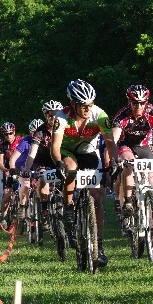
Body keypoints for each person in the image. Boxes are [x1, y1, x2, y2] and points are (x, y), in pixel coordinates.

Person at [51, 79, 119, 268]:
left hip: (89, 153)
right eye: (83, 106)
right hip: (67, 152)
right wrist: (58, 163)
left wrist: (113, 161)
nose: (88, 109)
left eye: (90, 104)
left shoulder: (100, 115)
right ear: (73, 104)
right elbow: (55, 146)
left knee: (97, 198)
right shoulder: (61, 117)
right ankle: (69, 207)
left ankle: (100, 245)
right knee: (70, 168)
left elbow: (111, 142)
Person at [111, 85, 153, 221]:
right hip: (126, 146)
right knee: (129, 164)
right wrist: (112, 158)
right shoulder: (122, 115)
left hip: (144, 146)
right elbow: (114, 139)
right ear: (129, 102)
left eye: (142, 103)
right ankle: (128, 201)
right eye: (135, 103)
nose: (138, 106)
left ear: (146, 102)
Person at [25, 100, 63, 231]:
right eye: (50, 114)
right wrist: (26, 169)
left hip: (59, 161)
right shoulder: (40, 132)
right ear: (45, 115)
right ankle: (45, 210)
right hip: (42, 161)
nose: (53, 117)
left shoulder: (67, 127)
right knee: (43, 177)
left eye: (56, 114)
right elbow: (32, 153)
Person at [0, 122, 24, 230]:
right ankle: (3, 216)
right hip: (9, 170)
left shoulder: (21, 141)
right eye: (6, 134)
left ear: (14, 132)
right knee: (7, 194)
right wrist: (5, 170)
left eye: (10, 133)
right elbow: (0, 162)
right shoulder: (2, 144)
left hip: (21, 169)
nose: (8, 136)